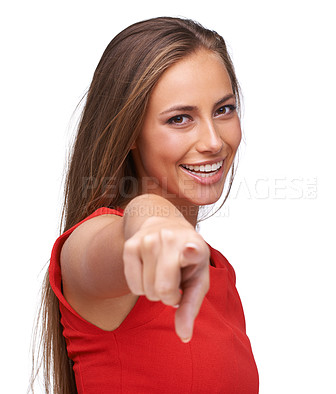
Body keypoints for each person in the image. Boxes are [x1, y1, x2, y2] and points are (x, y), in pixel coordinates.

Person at [32, 16, 259, 393]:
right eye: (180, 118)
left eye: (223, 110)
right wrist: (149, 216)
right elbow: (117, 242)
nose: (213, 141)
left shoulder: (219, 272)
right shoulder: (94, 246)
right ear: (130, 132)